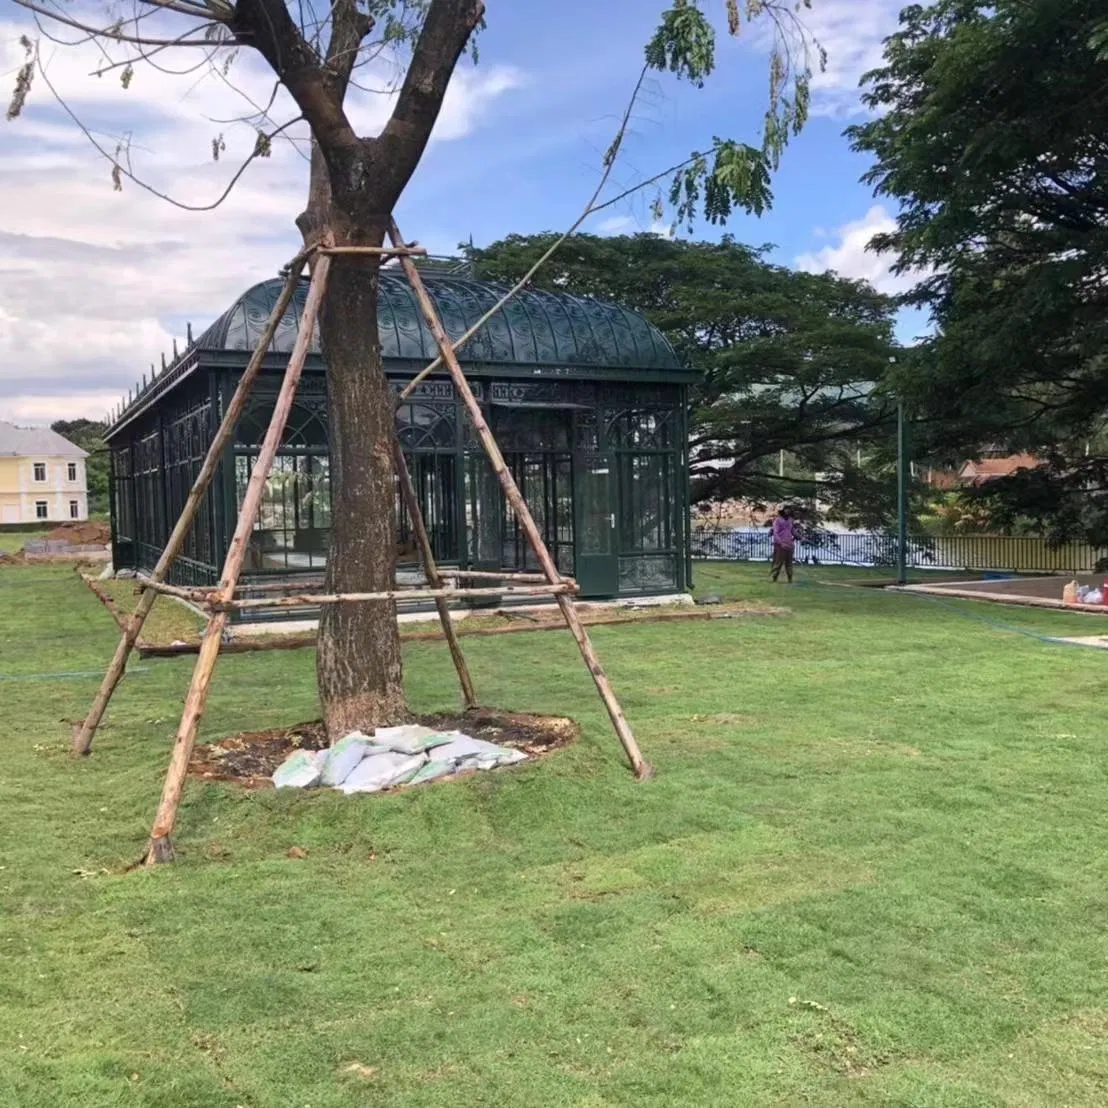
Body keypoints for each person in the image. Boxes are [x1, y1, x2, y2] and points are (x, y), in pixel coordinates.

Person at [770, 506, 798, 583]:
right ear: (783, 511)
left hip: (790, 544)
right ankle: (774, 578)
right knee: (778, 563)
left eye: (789, 510)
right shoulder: (777, 520)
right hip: (780, 545)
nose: (787, 511)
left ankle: (790, 579)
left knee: (789, 563)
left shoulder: (791, 520)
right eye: (786, 510)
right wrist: (780, 543)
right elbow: (775, 533)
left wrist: (800, 536)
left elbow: (793, 531)